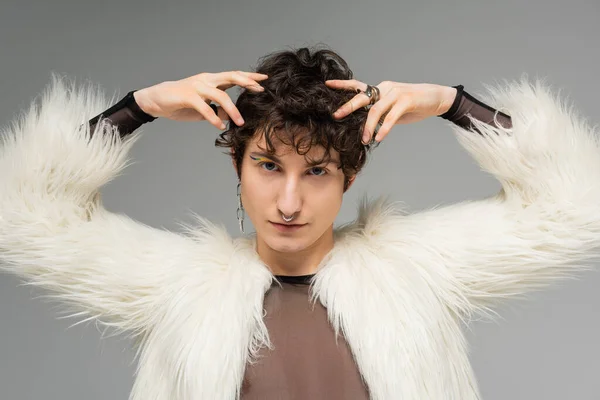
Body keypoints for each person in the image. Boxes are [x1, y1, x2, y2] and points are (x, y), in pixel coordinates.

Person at [0, 46, 598, 400]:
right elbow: (28, 209)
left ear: (349, 179)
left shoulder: (414, 273)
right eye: (267, 165)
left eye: (316, 172)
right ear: (237, 165)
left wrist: (452, 103)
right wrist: (140, 107)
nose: (288, 202)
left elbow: (570, 203)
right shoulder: (180, 286)